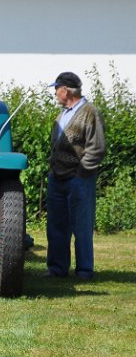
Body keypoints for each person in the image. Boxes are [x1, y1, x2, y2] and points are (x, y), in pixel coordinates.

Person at [45, 71, 106, 280]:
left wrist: (82, 171)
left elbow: (96, 148)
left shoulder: (90, 112)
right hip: (57, 178)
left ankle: (84, 271)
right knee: (56, 226)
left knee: (81, 226)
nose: (55, 93)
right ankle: (56, 268)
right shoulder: (63, 114)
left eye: (56, 89)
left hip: (78, 179)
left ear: (66, 90)